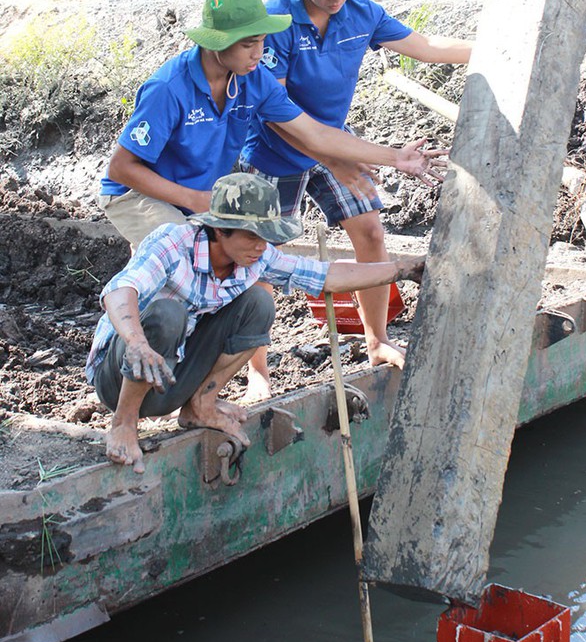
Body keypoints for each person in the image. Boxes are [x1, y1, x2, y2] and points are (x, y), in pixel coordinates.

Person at [240, 0, 474, 383]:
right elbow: (277, 115)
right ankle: (257, 372)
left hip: (337, 141)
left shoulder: (361, 13)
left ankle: (377, 341)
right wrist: (333, 158)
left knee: (369, 230)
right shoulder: (276, 22)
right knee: (258, 254)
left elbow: (425, 48)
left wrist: (495, 51)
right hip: (275, 149)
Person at [87, 173, 425, 473]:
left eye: (266, 236)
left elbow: (327, 276)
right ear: (219, 229)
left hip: (170, 378)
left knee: (258, 303)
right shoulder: (173, 243)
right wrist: (136, 342)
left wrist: (403, 269)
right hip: (119, 374)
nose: (260, 246)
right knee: (167, 314)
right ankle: (124, 423)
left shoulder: (255, 257)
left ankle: (200, 404)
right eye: (252, 236)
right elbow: (119, 291)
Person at [99, 0, 444, 252]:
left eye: (263, 41)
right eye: (248, 44)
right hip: (138, 194)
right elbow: (121, 169)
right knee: (183, 254)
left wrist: (397, 157)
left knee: (181, 275)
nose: (258, 53)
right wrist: (193, 200)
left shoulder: (254, 79)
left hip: (195, 195)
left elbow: (316, 134)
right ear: (217, 43)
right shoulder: (169, 89)